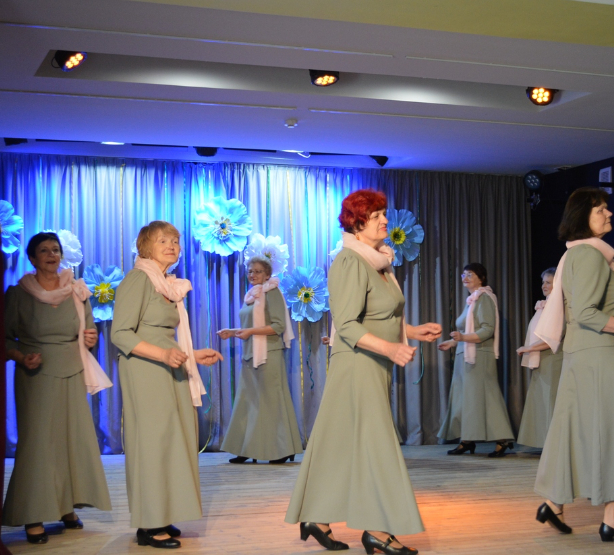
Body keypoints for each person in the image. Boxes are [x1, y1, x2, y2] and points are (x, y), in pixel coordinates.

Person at [286, 189, 442, 554]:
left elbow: (380, 316)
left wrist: (412, 331)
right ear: (357, 223)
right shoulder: (350, 261)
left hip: (372, 364)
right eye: (376, 216)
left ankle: (316, 516)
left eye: (384, 214)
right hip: (357, 364)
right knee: (376, 446)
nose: (385, 220)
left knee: (342, 442)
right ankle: (377, 528)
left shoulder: (377, 262)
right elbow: (347, 324)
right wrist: (391, 347)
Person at [533, 188, 614, 542]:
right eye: (600, 209)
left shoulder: (581, 253)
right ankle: (611, 519)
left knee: (577, 430)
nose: (609, 213)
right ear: (582, 217)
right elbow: (586, 313)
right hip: (599, 356)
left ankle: (554, 503)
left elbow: (583, 306)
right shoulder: (589, 255)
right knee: (612, 431)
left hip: (584, 354)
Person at [111, 221, 222, 549]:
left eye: (175, 241)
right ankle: (148, 524)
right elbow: (120, 334)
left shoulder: (167, 284)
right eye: (163, 241)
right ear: (145, 246)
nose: (172, 246)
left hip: (169, 367)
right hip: (145, 370)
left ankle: (161, 514)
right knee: (152, 444)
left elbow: (164, 336)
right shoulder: (138, 279)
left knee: (171, 442)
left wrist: (192, 355)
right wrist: (163, 354)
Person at [3, 232, 112, 544]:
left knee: (71, 441)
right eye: (44, 250)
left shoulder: (77, 291)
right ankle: (33, 514)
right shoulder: (19, 294)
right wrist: (21, 357)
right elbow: (3, 338)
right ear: (32, 258)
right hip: (36, 376)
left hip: (72, 371)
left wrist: (90, 339)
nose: (51, 255)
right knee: (38, 445)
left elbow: (88, 332)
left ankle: (66, 507)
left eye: (55, 250)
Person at [217, 255, 303, 464]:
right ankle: (247, 448)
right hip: (250, 353)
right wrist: (233, 331)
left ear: (267, 274)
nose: (252, 274)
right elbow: (251, 326)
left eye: (257, 271)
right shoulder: (252, 295)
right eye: (250, 271)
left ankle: (282, 449)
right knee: (247, 402)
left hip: (269, 354)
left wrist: (249, 332)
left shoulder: (271, 292)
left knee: (271, 402)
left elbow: (278, 326)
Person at [437, 263, 515, 457]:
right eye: (463, 275)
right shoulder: (471, 300)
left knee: (487, 398)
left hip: (480, 356)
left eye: (470, 274)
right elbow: (467, 331)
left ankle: (502, 439)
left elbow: (487, 330)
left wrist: (463, 337)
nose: (465, 278)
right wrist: (453, 342)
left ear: (481, 278)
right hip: (465, 356)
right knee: (465, 400)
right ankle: (467, 440)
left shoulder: (484, 298)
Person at [515, 268, 564, 449]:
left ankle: (555, 445)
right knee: (543, 402)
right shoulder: (545, 305)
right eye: (543, 282)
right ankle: (547, 444)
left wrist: (529, 348)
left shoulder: (558, 307)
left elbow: (553, 337)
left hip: (553, 359)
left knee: (551, 402)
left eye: (548, 282)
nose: (544, 286)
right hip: (542, 360)